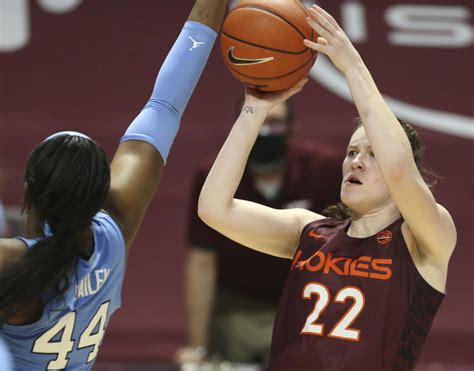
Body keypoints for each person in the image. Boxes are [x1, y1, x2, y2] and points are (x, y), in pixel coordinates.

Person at [198, 5, 456, 371]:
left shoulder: (425, 238)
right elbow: (213, 209)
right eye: (352, 151)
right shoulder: (309, 231)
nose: (356, 161)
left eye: (372, 154)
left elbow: (399, 170)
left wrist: (352, 67)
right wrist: (253, 109)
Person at [0, 0, 228, 369]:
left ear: (28, 192)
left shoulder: (11, 262)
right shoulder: (114, 233)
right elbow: (166, 105)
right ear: (101, 192)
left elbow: (166, 104)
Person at [176, 98, 341, 366]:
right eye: (259, 122)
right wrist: (197, 349)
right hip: (237, 310)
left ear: (292, 128)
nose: (265, 132)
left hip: (304, 308)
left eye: (274, 123)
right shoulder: (215, 177)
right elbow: (201, 262)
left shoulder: (325, 170)